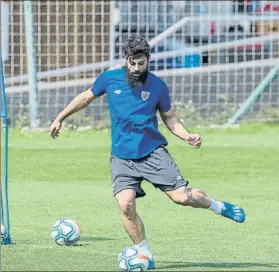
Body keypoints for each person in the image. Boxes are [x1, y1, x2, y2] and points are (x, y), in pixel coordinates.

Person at [50, 36, 245, 270]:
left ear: (148, 60)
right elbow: (85, 97)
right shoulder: (109, 79)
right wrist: (60, 118)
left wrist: (187, 135)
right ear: (126, 60)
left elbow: (170, 118)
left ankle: (217, 206)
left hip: (152, 153)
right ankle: (144, 253)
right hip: (122, 157)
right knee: (126, 205)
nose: (136, 68)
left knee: (182, 198)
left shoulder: (158, 86)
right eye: (132, 63)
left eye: (141, 63)